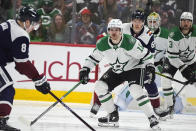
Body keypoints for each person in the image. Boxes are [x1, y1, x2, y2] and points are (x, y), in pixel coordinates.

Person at [79, 19, 160, 130]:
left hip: (134, 67)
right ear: (108, 31)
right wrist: (85, 69)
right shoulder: (102, 43)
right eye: (111, 30)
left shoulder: (130, 42)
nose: (114, 32)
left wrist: (150, 66)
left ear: (121, 31)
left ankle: (152, 118)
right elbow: (93, 58)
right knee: (99, 86)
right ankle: (113, 115)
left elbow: (147, 55)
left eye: (117, 30)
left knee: (135, 90)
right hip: (118, 70)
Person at [0, 6, 51, 131]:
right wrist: (38, 79)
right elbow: (22, 64)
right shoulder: (21, 35)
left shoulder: (11, 23)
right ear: (27, 22)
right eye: (33, 23)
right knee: (7, 89)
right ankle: (1, 120)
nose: (34, 27)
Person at [161, 12, 196, 119]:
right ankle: (170, 106)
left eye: (188, 21)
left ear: (191, 23)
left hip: (190, 60)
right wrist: (184, 69)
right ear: (180, 22)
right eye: (184, 21)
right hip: (172, 60)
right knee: (165, 80)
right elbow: (173, 57)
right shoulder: (173, 34)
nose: (186, 23)